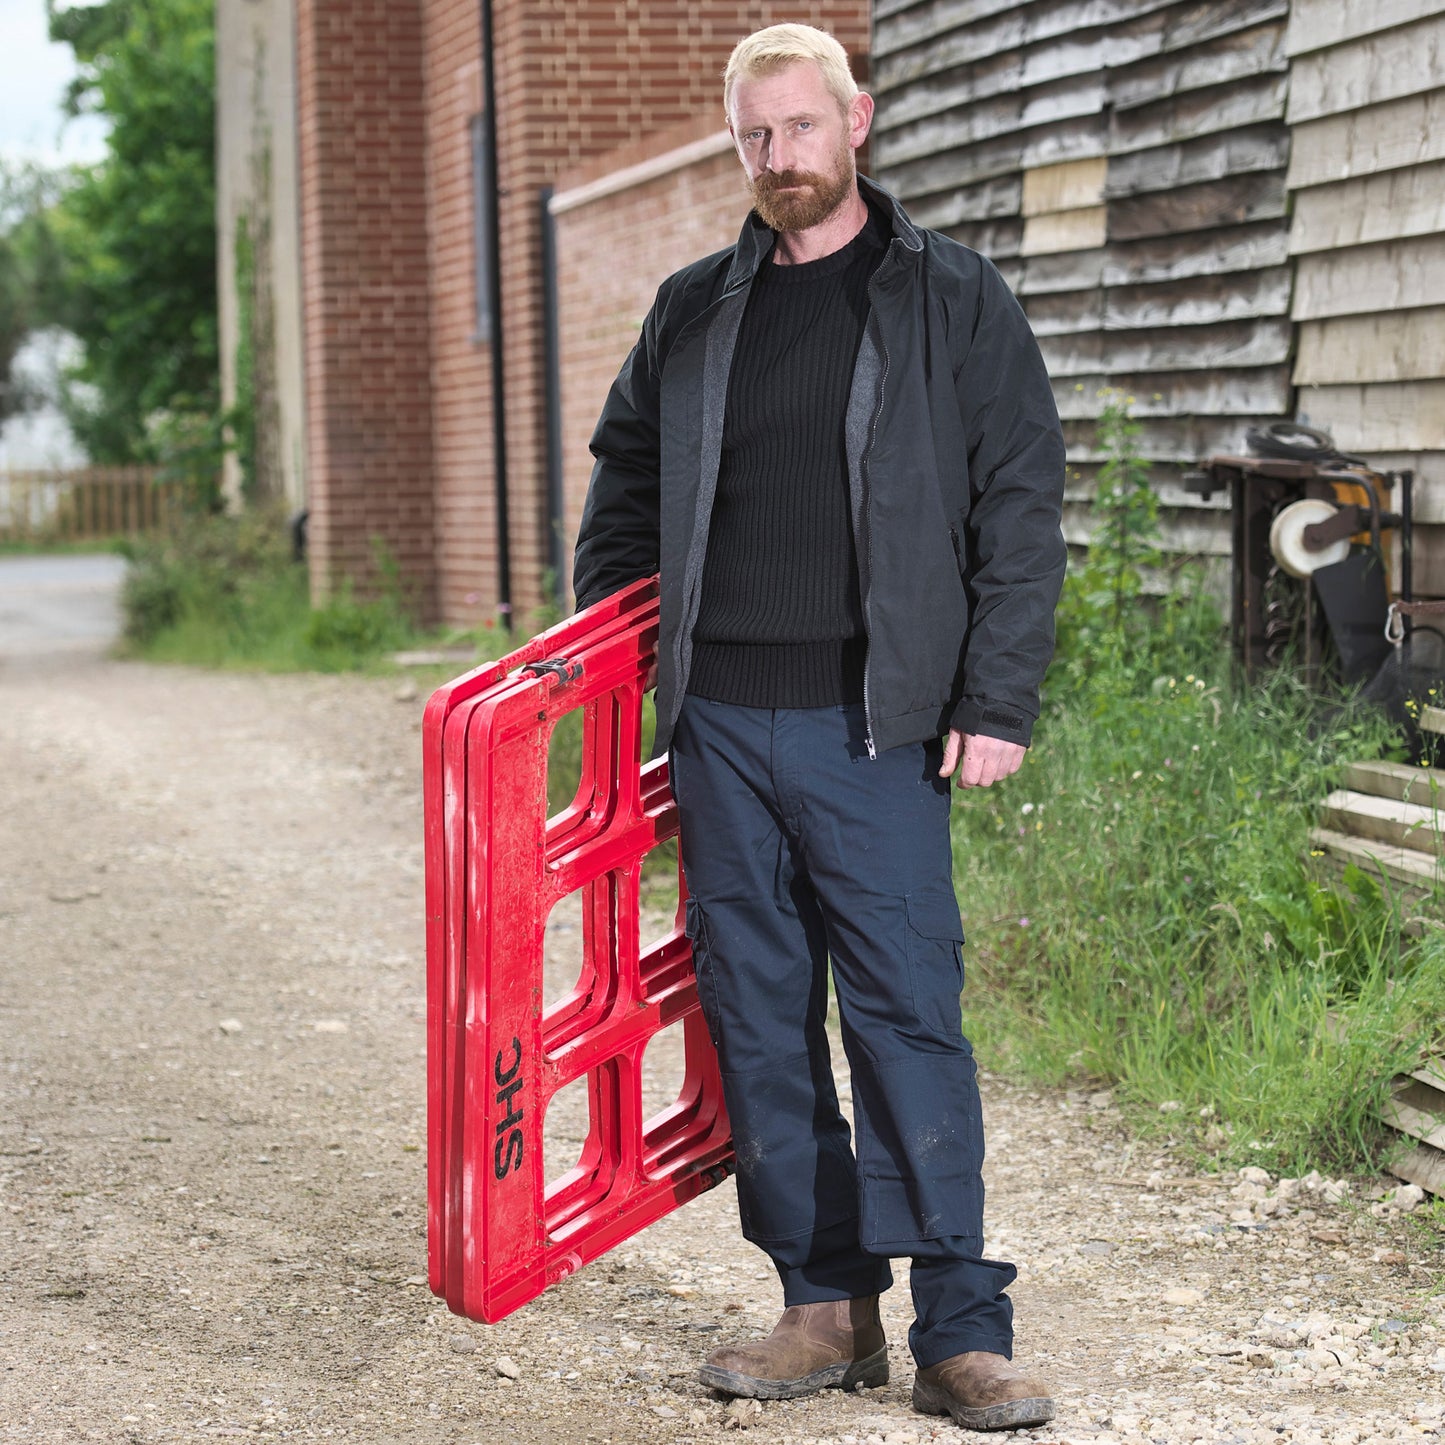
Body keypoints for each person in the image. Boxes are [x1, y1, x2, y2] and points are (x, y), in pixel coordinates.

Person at [572, 22, 1065, 1433]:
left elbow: (1018, 504)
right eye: (753, 137)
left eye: (798, 128)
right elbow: (624, 485)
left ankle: (960, 1327)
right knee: (760, 1019)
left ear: (854, 119)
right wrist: (621, 655)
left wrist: (993, 692)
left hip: (877, 726)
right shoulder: (693, 309)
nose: (778, 158)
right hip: (721, 719)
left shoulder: (950, 299)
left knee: (907, 1016)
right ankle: (821, 1302)